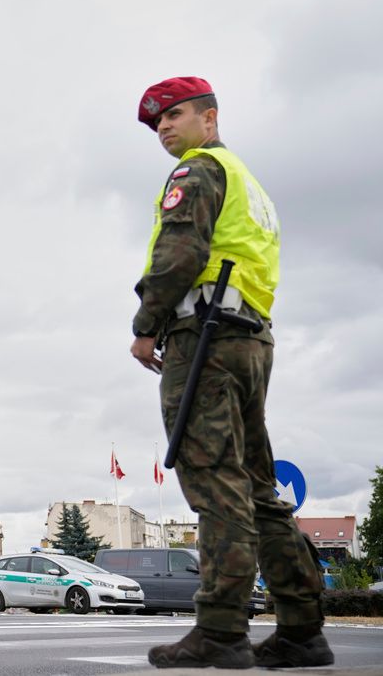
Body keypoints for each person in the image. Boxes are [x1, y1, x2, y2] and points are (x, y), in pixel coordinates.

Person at [130, 76, 332, 668]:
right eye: (158, 122)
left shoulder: (198, 170)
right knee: (258, 489)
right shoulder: (250, 184)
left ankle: (220, 631)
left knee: (216, 483)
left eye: (175, 115)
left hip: (205, 338)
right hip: (251, 339)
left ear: (210, 119)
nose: (164, 127)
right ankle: (302, 629)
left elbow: (180, 252)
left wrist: (146, 325)